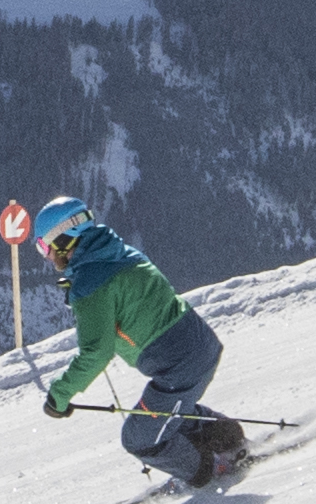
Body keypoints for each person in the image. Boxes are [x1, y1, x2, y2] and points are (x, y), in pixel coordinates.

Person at [27, 195, 246, 489]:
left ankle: (208, 471)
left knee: (139, 437)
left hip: (179, 368)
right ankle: (228, 436)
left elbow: (96, 353)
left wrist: (59, 396)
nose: (47, 256)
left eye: (44, 246)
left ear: (63, 238)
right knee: (163, 412)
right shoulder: (117, 251)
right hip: (199, 344)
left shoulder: (91, 283)